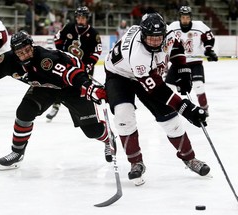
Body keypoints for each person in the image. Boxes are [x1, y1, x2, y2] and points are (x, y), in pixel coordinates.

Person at [0, 31, 115, 170]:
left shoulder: (47, 59)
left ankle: (109, 139)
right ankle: (17, 152)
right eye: (20, 52)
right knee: (24, 112)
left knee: (92, 131)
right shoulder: (9, 60)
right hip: (44, 87)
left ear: (32, 46)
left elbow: (72, 75)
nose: (25, 55)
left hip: (71, 87)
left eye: (27, 50)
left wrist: (90, 87)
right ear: (14, 52)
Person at [104, 12, 210, 186]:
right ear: (142, 35)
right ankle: (135, 162)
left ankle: (189, 158)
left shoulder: (168, 35)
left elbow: (176, 46)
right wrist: (186, 108)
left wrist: (182, 70)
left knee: (171, 120)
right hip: (120, 76)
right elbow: (158, 90)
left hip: (148, 73)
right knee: (124, 116)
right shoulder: (137, 54)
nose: (155, 42)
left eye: (158, 37)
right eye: (150, 38)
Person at [45, 6, 102, 122]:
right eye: (78, 17)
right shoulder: (69, 27)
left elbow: (97, 51)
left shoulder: (93, 33)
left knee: (84, 89)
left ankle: (88, 114)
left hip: (84, 66)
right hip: (68, 63)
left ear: (87, 19)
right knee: (59, 83)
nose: (80, 20)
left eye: (83, 18)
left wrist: (89, 64)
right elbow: (58, 38)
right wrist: (61, 53)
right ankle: (56, 105)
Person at [165, 6, 218, 117]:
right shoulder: (173, 27)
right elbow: (166, 42)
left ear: (191, 17)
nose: (185, 19)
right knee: (167, 87)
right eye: (183, 17)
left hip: (195, 63)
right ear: (180, 17)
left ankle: (204, 109)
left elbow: (209, 38)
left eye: (187, 17)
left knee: (198, 85)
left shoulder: (199, 26)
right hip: (178, 63)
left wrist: (209, 50)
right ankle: (166, 110)